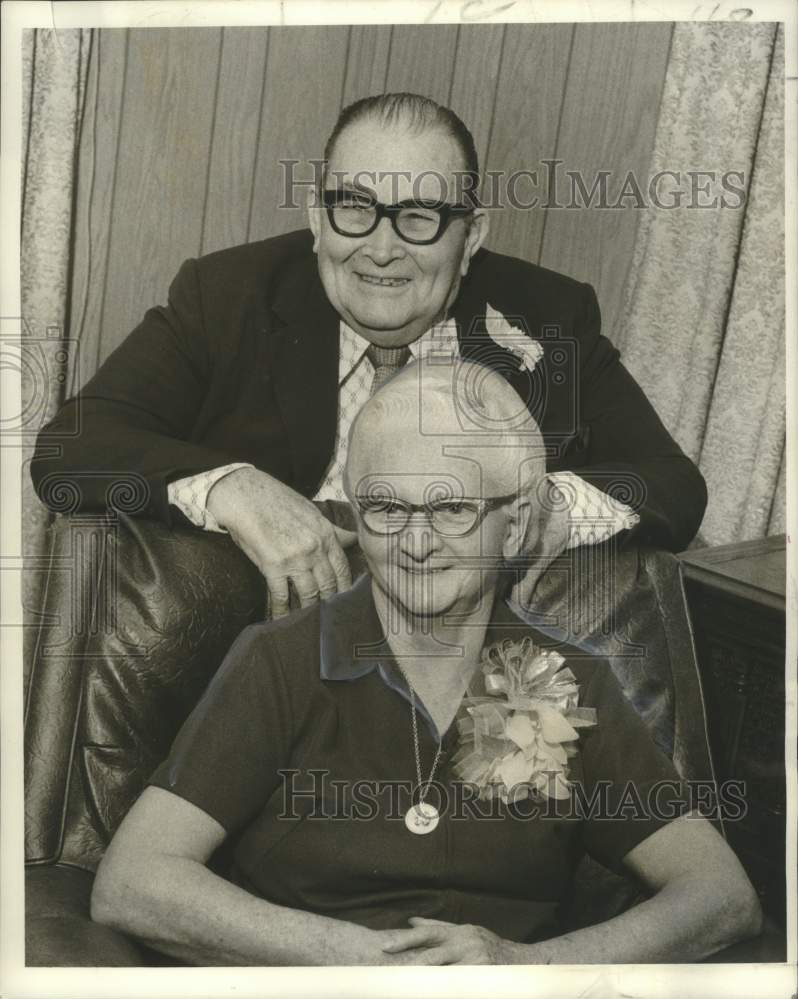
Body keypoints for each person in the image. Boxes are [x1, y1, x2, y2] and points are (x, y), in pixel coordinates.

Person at [90, 360, 759, 966]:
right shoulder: (282, 662)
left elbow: (720, 896)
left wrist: (528, 969)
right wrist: (362, 960)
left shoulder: (563, 685)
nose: (415, 542)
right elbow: (134, 882)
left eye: (451, 508)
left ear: (519, 521)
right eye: (385, 507)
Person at [31, 93, 707, 618]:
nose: (381, 249)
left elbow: (673, 484)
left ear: (471, 236)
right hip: (264, 638)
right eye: (355, 208)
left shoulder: (547, 316)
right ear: (317, 219)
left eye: (419, 217)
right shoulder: (227, 295)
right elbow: (68, 448)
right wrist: (232, 487)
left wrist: (546, 508)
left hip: (467, 651)